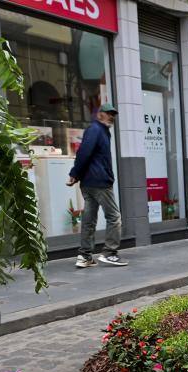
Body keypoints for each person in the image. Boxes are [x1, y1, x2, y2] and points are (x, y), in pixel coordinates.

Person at [68, 103, 127, 268]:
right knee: (114, 217)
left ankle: (85, 256)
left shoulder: (101, 131)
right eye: (109, 113)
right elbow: (84, 152)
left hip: (89, 182)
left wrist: (76, 174)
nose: (112, 117)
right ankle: (110, 253)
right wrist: (74, 173)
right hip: (99, 182)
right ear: (100, 114)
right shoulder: (96, 130)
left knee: (89, 219)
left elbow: (86, 154)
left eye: (113, 114)